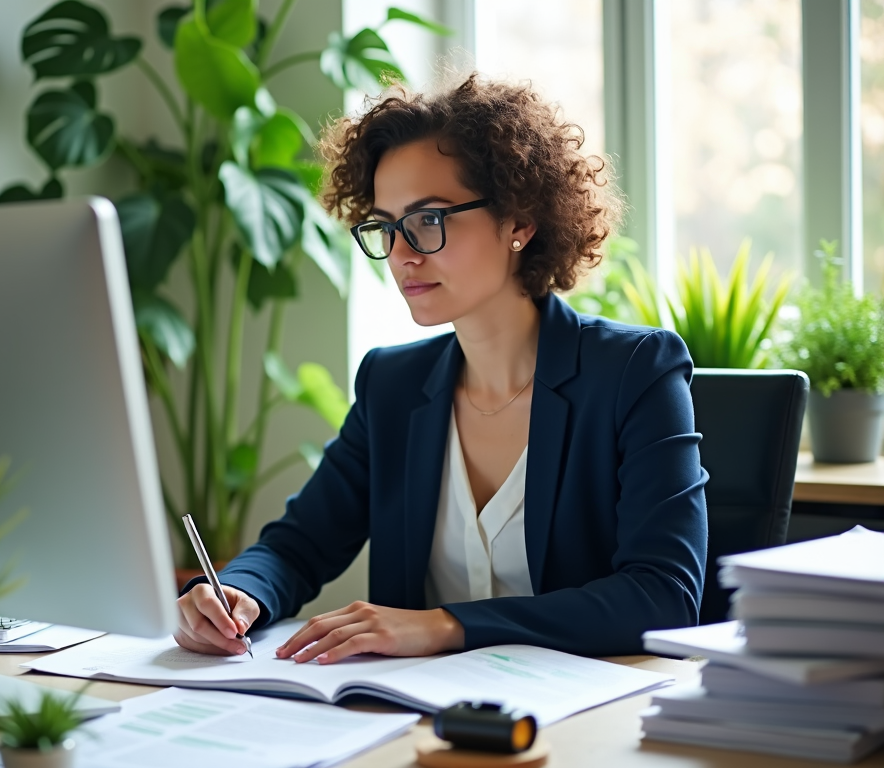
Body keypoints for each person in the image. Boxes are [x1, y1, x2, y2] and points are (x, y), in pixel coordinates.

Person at [175, 73, 708, 664]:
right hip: (415, 723)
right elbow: (298, 547)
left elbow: (664, 596)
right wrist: (239, 592)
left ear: (519, 223)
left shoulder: (634, 372)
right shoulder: (392, 386)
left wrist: (444, 625)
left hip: (579, 726)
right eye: (384, 226)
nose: (402, 254)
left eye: (429, 220)